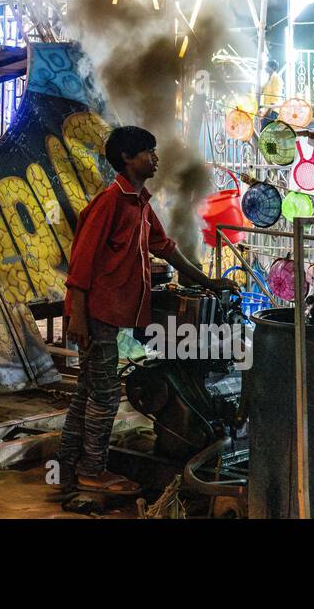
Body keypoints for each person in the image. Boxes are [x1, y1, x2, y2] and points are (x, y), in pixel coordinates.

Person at [57, 125, 235, 498]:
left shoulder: (138, 202)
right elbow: (81, 264)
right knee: (104, 397)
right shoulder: (110, 202)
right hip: (97, 315)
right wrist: (77, 317)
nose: (155, 158)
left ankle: (69, 467)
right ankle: (92, 471)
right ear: (126, 158)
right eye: (147, 152)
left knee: (87, 392)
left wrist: (209, 281)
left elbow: (166, 248)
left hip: (108, 314)